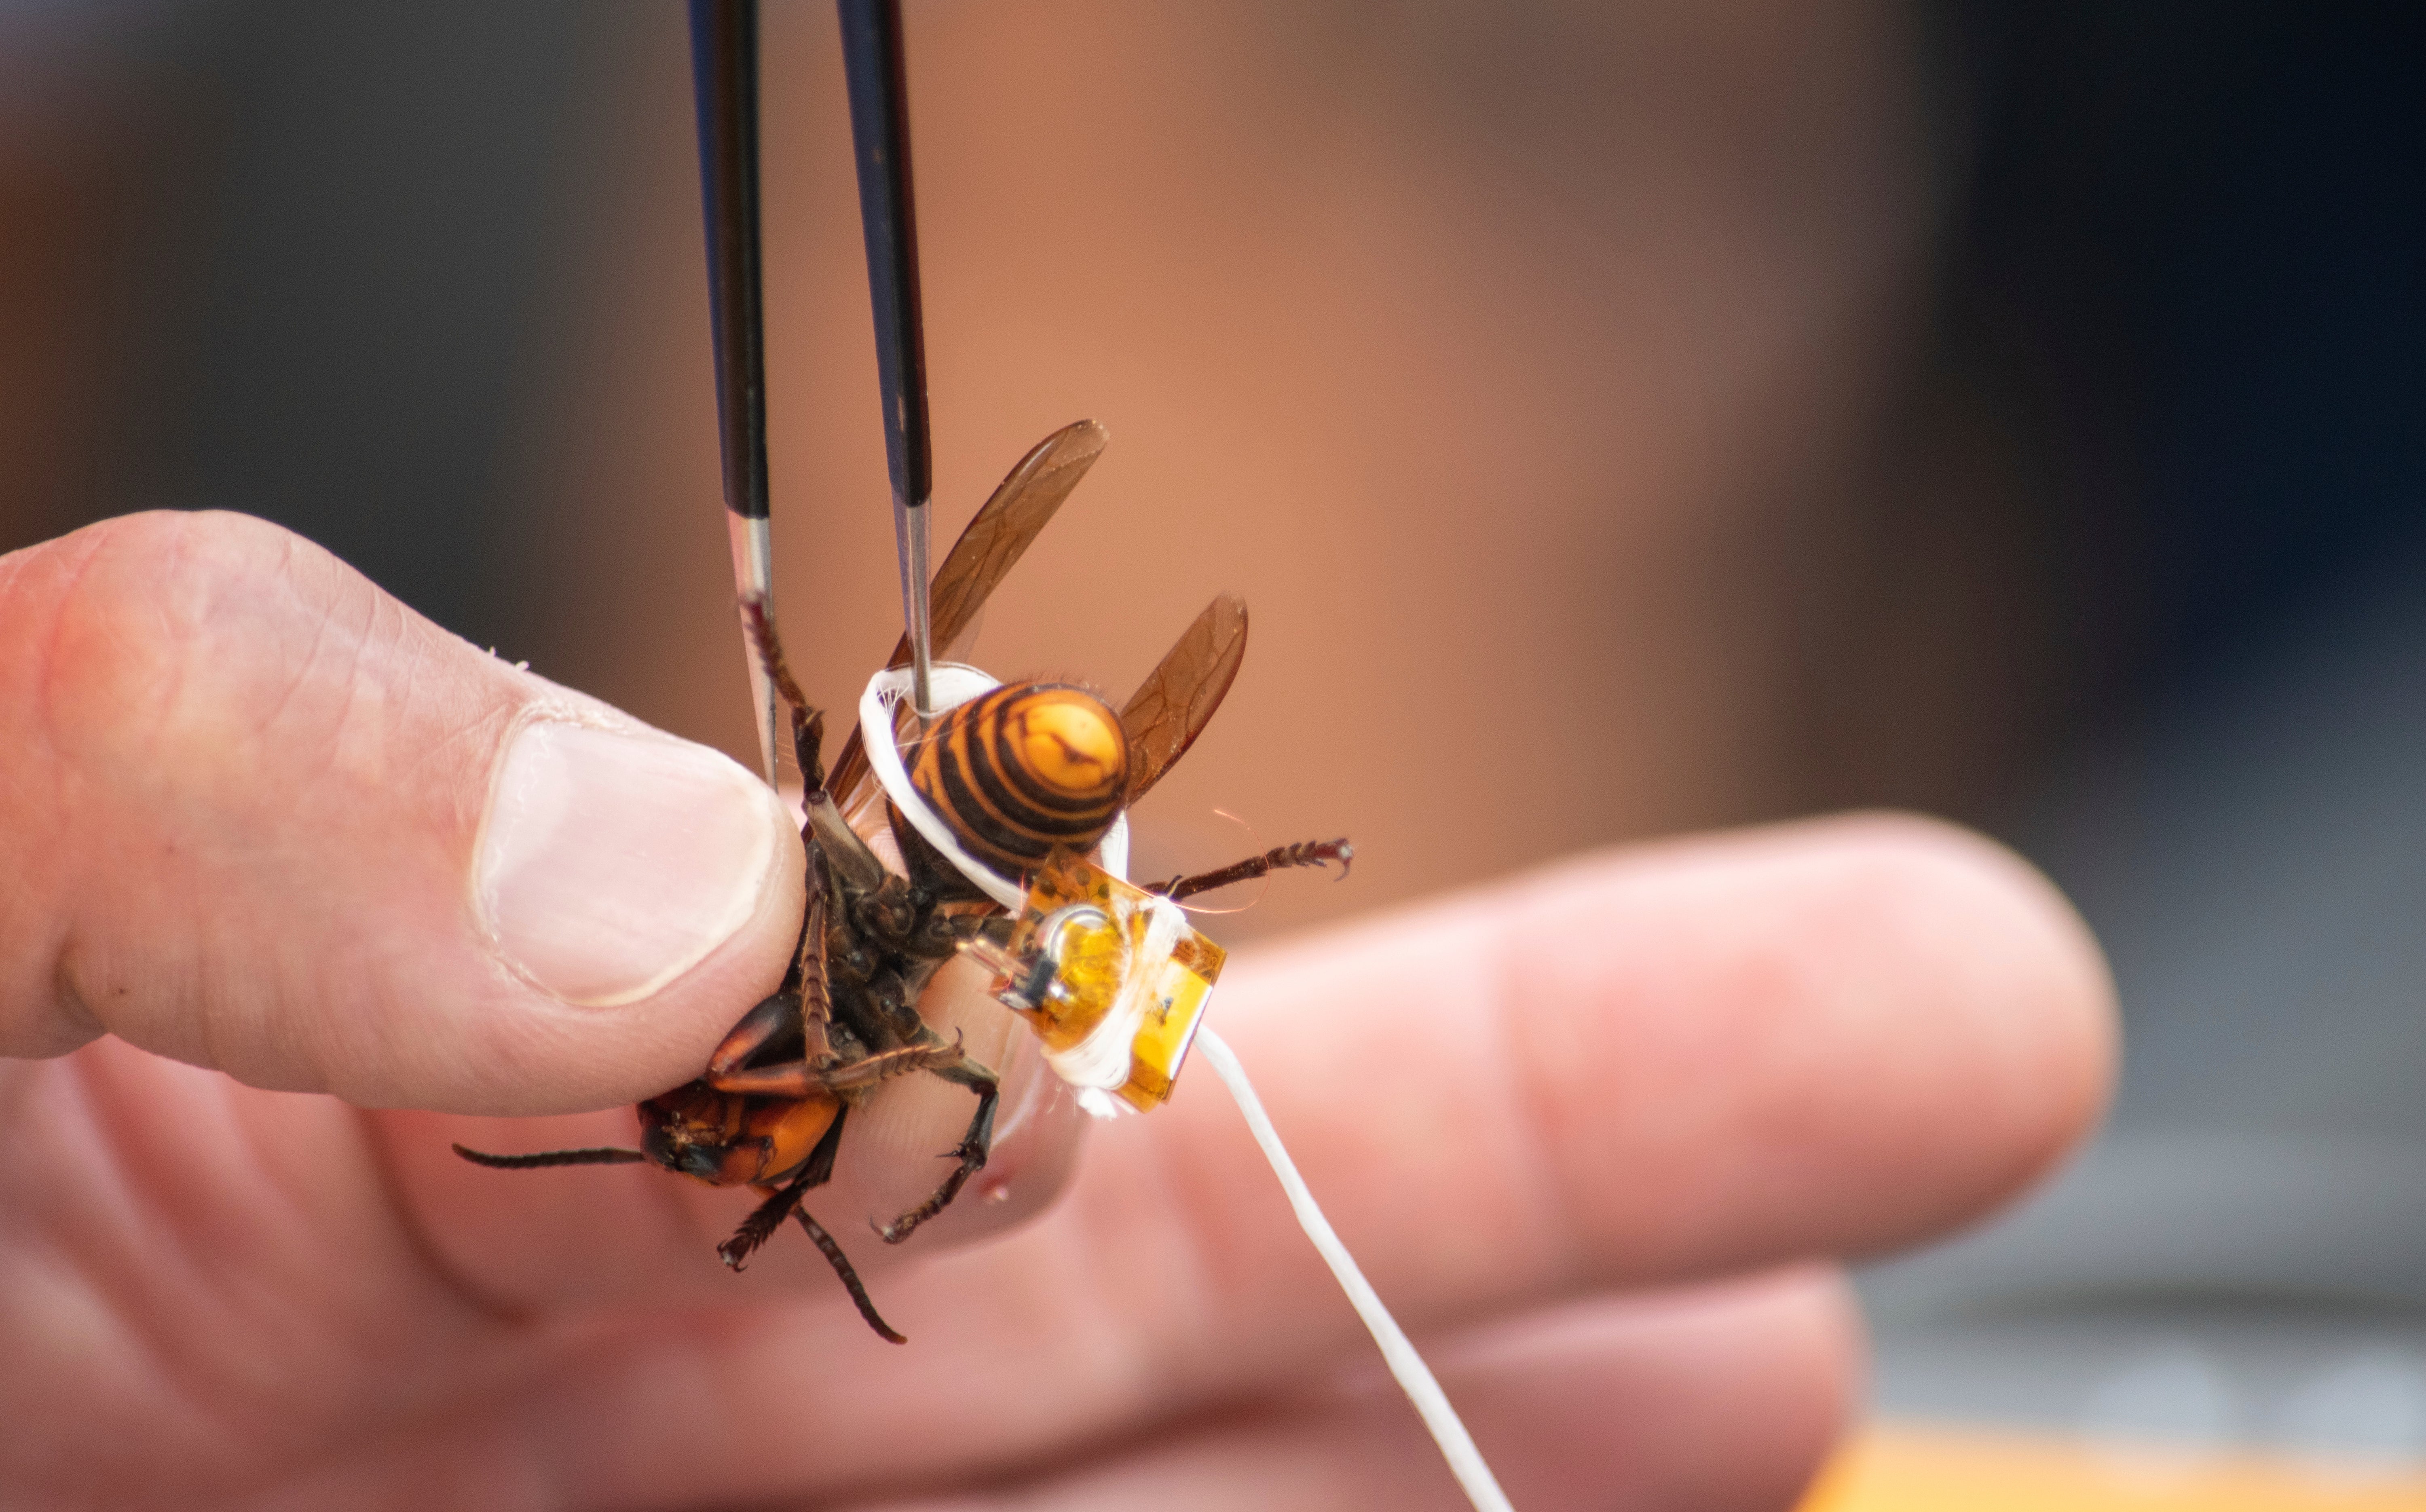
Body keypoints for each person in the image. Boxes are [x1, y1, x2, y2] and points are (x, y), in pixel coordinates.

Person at [0, 509, 2112, 1509]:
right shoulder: (855, 1019)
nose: (757, 1160)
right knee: (953, 1036)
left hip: (980, 814)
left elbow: (900, 1043)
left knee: (943, 1031)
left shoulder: (796, 978)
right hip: (993, 813)